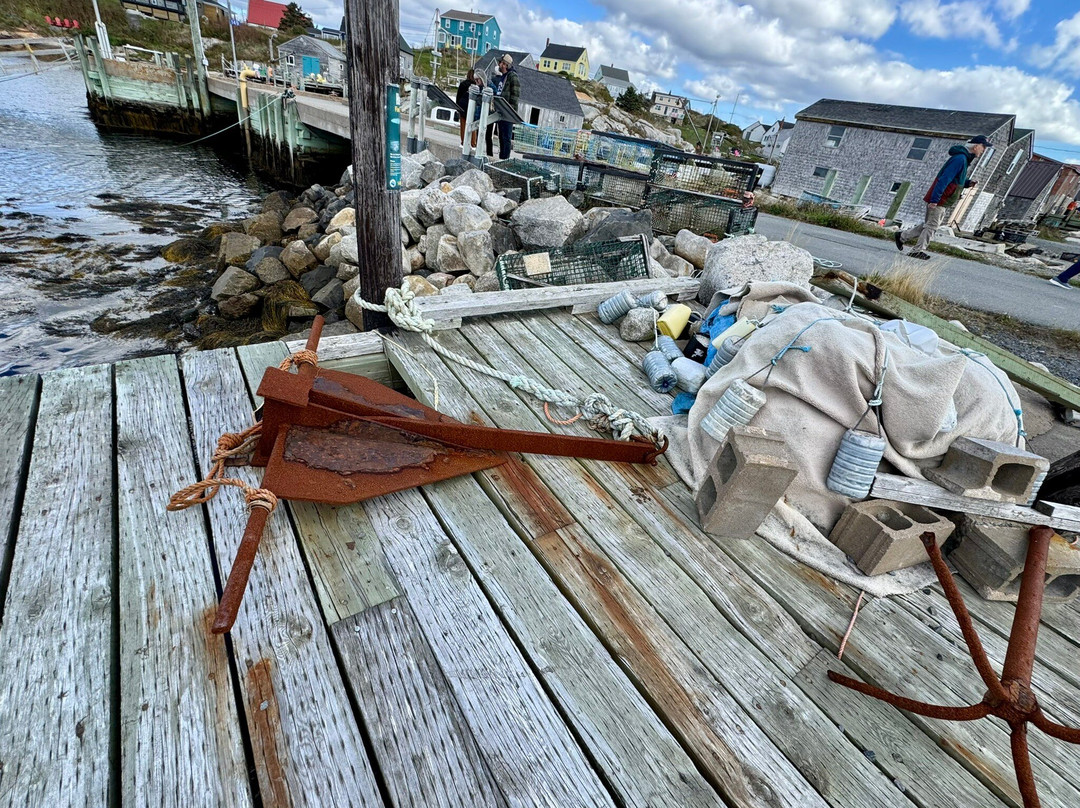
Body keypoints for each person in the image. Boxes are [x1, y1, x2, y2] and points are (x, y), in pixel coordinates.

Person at [896, 134, 991, 259]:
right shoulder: (960, 159)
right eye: (983, 147)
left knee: (929, 224)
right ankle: (917, 250)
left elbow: (955, 180)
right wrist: (934, 199)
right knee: (932, 226)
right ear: (976, 146)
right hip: (941, 198)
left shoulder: (963, 159)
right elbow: (944, 179)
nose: (984, 150)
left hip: (943, 199)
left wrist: (968, 183)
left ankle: (902, 236)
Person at [495, 54, 520, 160]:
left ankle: (505, 159)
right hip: (501, 111)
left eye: (501, 62)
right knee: (501, 136)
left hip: (507, 113)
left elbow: (515, 95)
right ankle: (501, 157)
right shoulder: (503, 76)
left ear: (505, 64)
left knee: (506, 137)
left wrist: (510, 112)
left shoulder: (512, 76)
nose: (499, 64)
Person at [455, 69, 476, 146]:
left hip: (463, 107)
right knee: (473, 126)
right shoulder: (476, 86)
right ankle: (473, 143)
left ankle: (463, 141)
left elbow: (458, 96)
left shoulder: (463, 84)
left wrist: (457, 107)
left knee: (463, 125)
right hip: (472, 107)